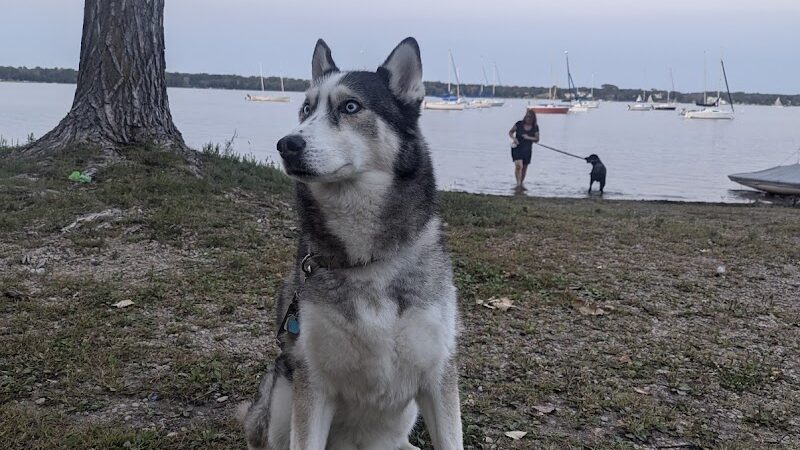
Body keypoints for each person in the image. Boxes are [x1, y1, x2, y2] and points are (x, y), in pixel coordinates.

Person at [508, 110, 540, 190]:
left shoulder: (535, 127)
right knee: (519, 166)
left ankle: (521, 183)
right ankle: (518, 184)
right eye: (527, 116)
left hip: (527, 149)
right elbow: (510, 132)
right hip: (517, 147)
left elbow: (537, 139)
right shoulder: (519, 124)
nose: (528, 118)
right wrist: (514, 138)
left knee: (524, 167)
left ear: (533, 118)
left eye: (530, 117)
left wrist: (528, 137)